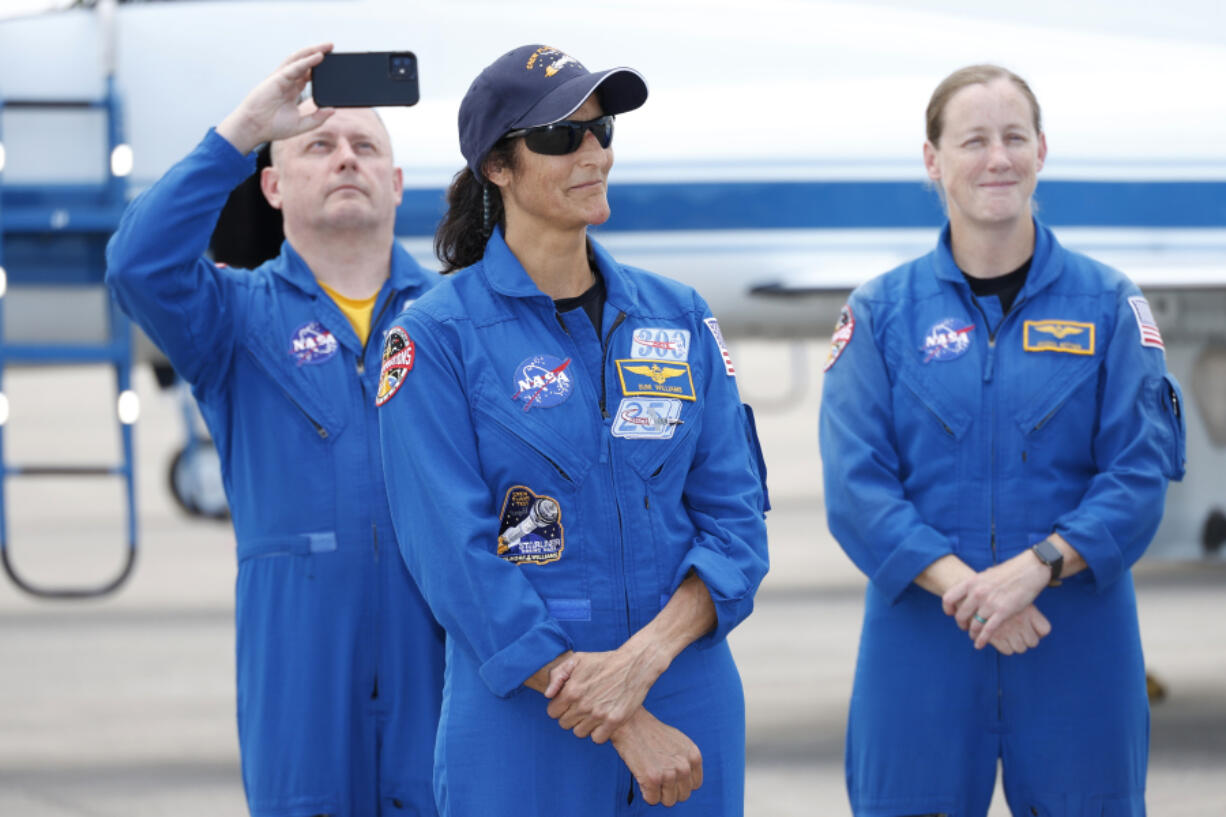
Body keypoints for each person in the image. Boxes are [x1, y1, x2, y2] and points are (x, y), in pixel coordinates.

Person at [376, 44, 770, 816]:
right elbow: (454, 560)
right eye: (561, 136)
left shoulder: (679, 315)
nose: (593, 152)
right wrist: (621, 719)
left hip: (686, 687)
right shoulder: (435, 337)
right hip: (526, 709)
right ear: (498, 166)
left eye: (604, 130)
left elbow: (736, 520)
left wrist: (642, 662)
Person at [819, 64, 1187, 817]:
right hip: (923, 639)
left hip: (1073, 635)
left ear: (1042, 150)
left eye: (1015, 137)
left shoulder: (1111, 306)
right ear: (933, 160)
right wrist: (973, 589)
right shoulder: (881, 314)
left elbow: (1139, 473)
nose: (998, 158)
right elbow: (858, 487)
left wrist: (1038, 567)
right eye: (974, 140)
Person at [106, 44, 444, 817]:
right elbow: (137, 265)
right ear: (271, 184)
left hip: (438, 647)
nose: (344, 159)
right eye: (317, 145)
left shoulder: (454, 321)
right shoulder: (231, 318)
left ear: (395, 184)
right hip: (299, 657)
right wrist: (243, 128)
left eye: (365, 146)